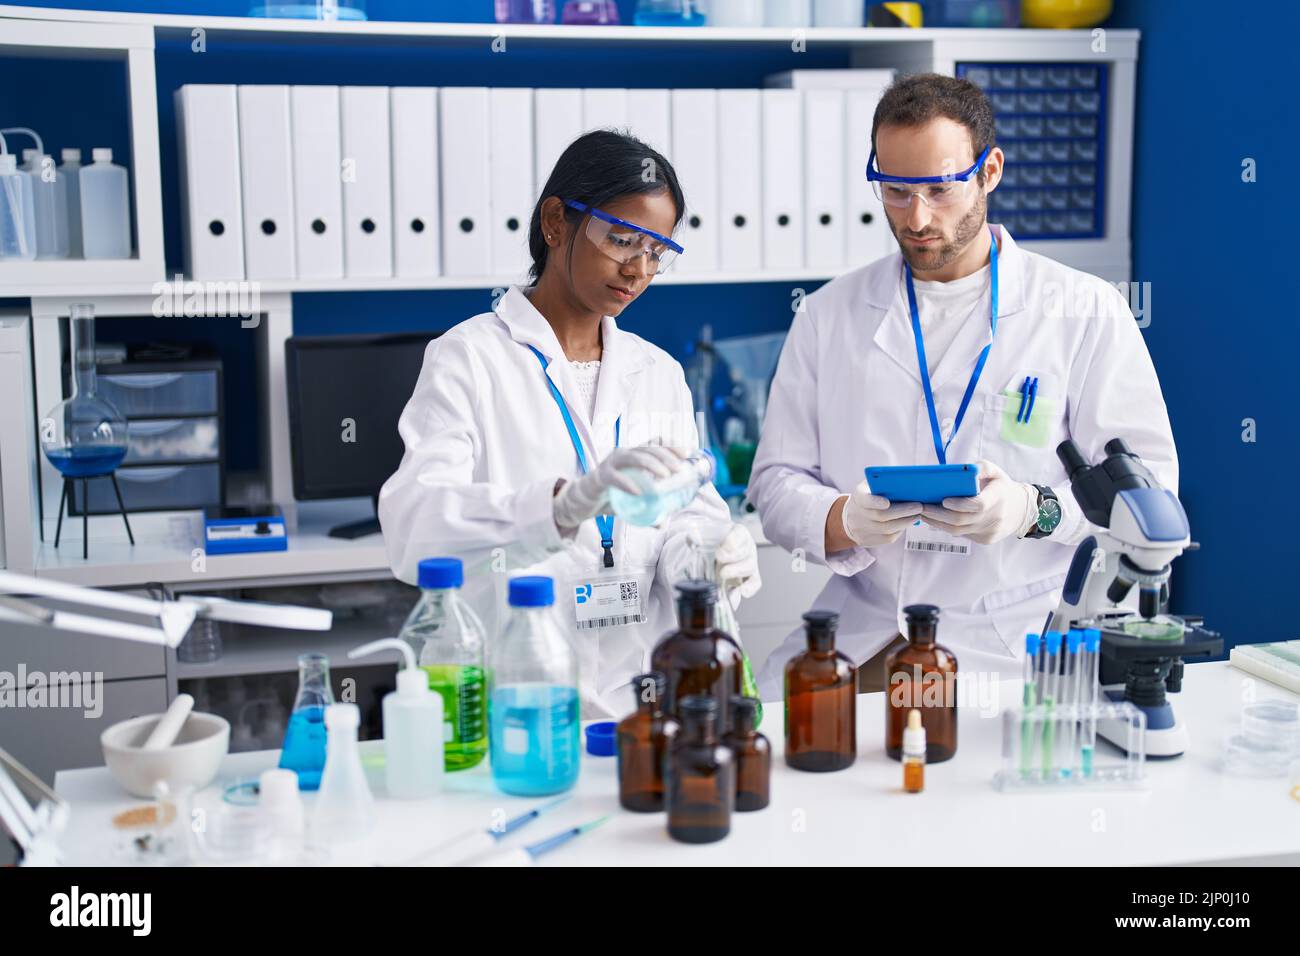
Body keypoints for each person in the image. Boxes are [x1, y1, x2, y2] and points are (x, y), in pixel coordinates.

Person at [749, 74, 1177, 695]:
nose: (916, 218)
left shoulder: (1083, 310)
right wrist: (843, 518)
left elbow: (1152, 492)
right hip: (867, 629)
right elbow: (775, 482)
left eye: (940, 189)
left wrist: (1034, 510)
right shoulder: (827, 315)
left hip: (1006, 638)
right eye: (894, 191)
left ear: (990, 171)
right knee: (783, 744)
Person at [380, 130, 761, 718]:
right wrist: (557, 508)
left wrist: (711, 552)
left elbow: (688, 511)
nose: (637, 269)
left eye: (657, 252)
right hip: (515, 703)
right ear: (556, 222)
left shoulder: (657, 372)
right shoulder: (469, 358)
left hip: (640, 706)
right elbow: (413, 530)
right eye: (622, 240)